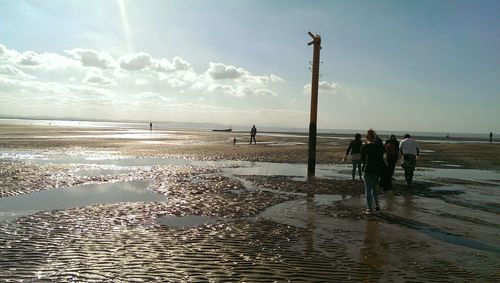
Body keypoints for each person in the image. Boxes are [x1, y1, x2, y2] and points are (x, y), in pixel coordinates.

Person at [361, 128, 385, 215]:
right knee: (375, 188)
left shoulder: (365, 146)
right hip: (377, 169)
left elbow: (362, 159)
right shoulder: (379, 146)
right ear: (375, 136)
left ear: (367, 137)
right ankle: (377, 204)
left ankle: (369, 208)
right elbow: (382, 157)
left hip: (367, 169)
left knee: (368, 189)